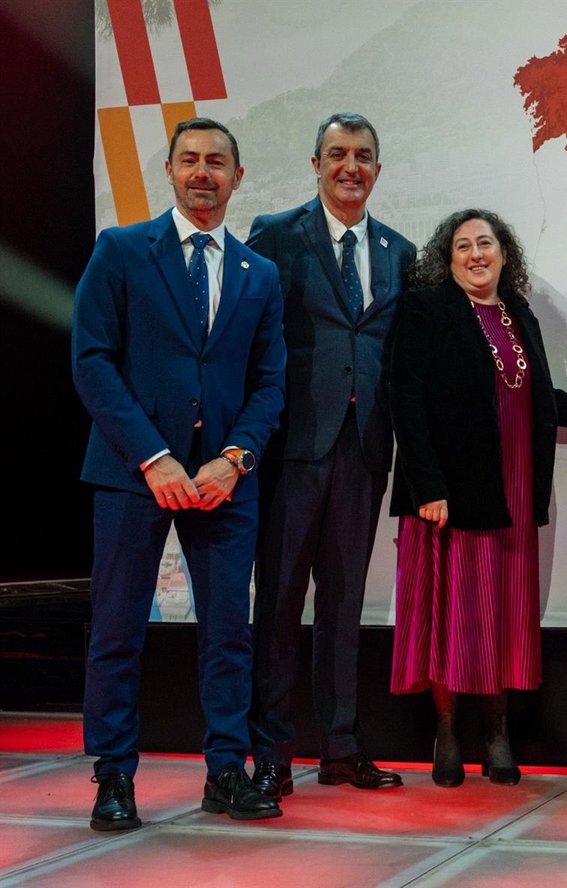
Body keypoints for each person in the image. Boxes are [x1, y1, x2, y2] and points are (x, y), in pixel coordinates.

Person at [72, 117, 286, 829]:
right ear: (168, 170)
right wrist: (153, 456)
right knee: (117, 630)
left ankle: (226, 771)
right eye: (189, 159)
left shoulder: (260, 274)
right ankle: (113, 776)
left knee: (229, 633)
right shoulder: (121, 250)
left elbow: (270, 382)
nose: (202, 172)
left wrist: (236, 459)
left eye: (216, 162)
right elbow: (92, 362)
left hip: (225, 483)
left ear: (237, 177)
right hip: (132, 474)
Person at [388, 209, 567, 786]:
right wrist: (428, 487)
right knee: (452, 618)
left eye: (485, 243)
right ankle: (448, 734)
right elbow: (405, 400)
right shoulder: (426, 310)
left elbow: (534, 396)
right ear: (447, 259)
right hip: (450, 495)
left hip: (513, 491)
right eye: (462, 246)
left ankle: (497, 735)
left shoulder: (519, 312)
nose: (476, 254)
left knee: (501, 615)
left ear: (503, 253)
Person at [245, 113, 416, 799]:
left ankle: (341, 749)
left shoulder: (400, 251)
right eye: (338, 154)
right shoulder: (275, 234)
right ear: (315, 163)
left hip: (365, 448)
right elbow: (252, 336)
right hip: (292, 447)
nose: (352, 166)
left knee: (344, 606)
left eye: (364, 155)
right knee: (280, 604)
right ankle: (271, 755)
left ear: (378, 168)